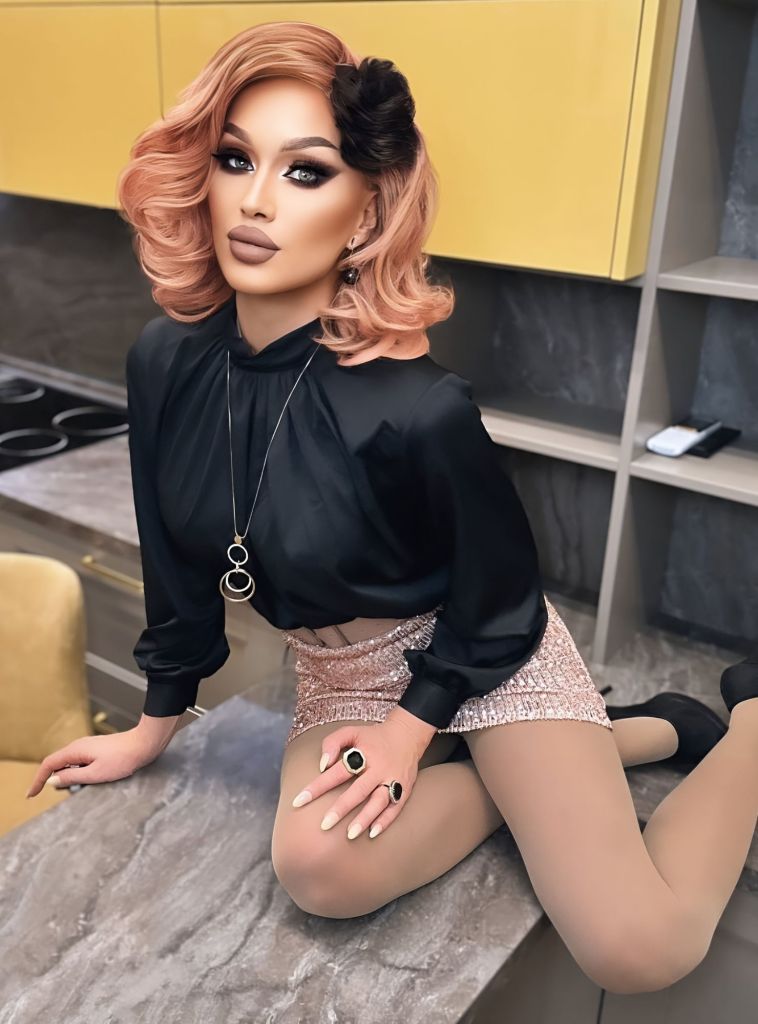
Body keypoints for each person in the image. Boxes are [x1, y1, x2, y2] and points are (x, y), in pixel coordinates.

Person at [25, 21, 758, 997]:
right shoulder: (166, 361)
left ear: (366, 212)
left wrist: (412, 732)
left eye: (305, 171)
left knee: (641, 948)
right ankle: (623, 740)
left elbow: (499, 598)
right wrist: (152, 725)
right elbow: (175, 566)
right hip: (344, 673)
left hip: (481, 654)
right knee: (319, 870)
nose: (254, 199)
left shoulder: (415, 404)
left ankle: (744, 718)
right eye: (236, 158)